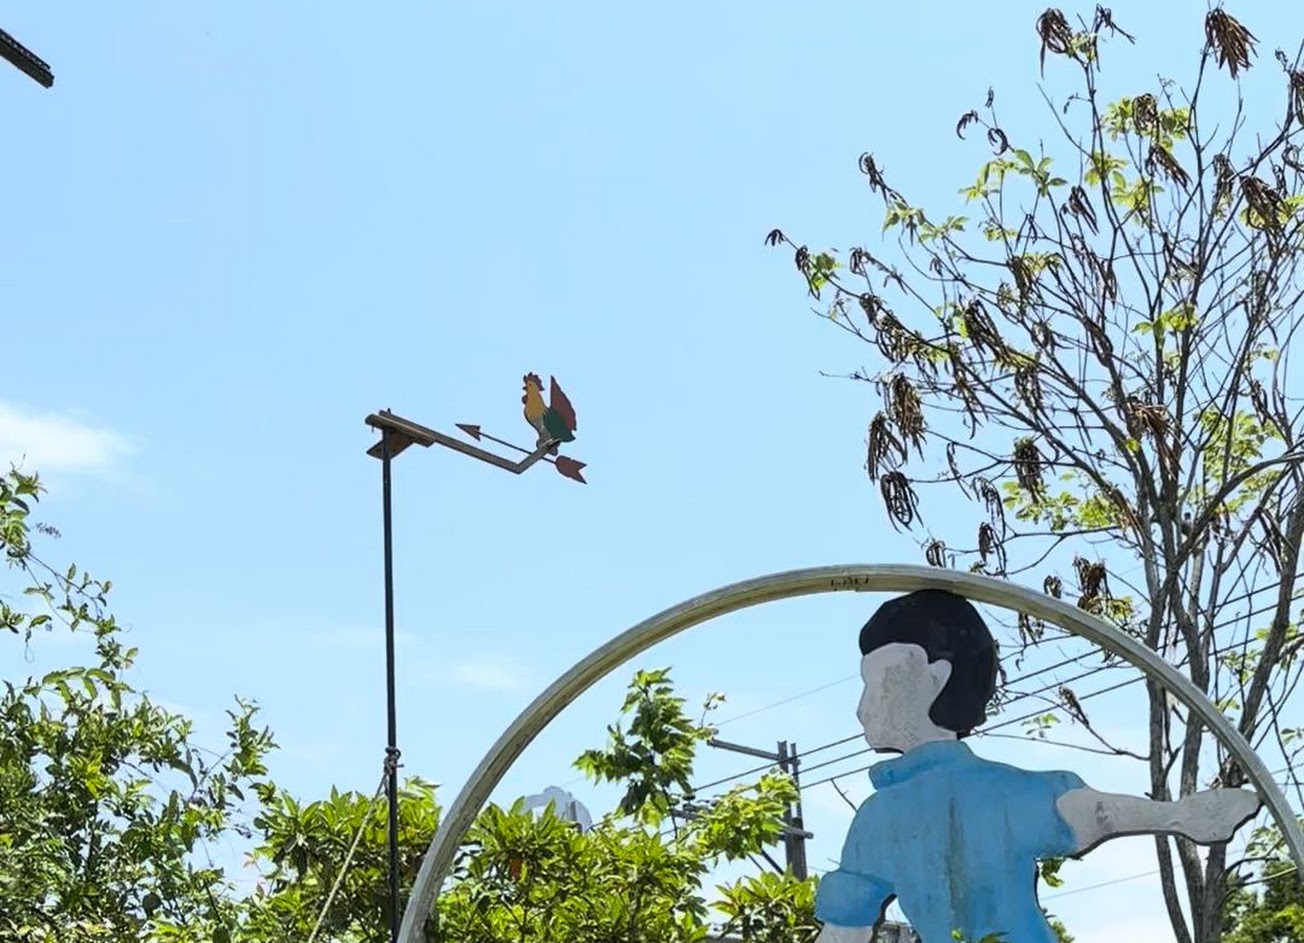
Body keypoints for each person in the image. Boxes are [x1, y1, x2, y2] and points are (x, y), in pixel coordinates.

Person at [814, 589, 1261, 943]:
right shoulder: (879, 820)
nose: (862, 708)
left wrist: (1179, 816)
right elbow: (1089, 811)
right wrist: (1178, 816)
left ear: (935, 679)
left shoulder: (976, 796)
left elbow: (1089, 813)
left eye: (880, 683)